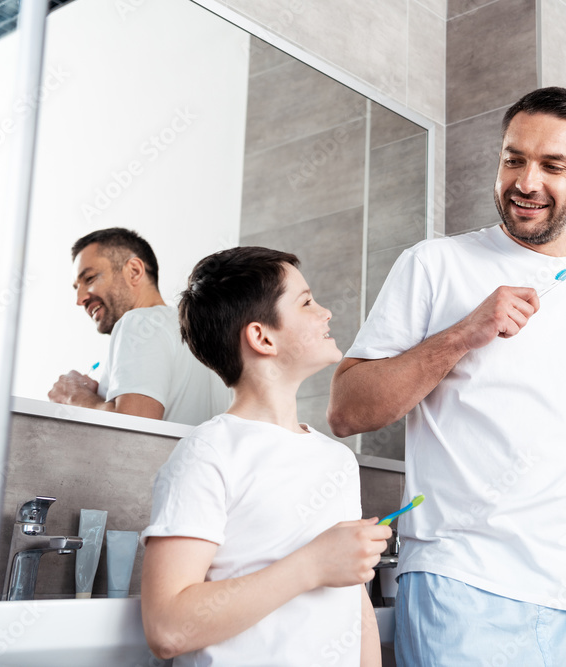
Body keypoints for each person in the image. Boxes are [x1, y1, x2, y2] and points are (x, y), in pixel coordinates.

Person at [328, 87, 566, 666]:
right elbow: (348, 409)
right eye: (513, 158)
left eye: (553, 166)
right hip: (460, 585)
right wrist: (462, 335)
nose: (526, 182)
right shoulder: (433, 265)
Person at [140, 246, 391, 665]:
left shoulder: (337, 461)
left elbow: (352, 602)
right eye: (307, 302)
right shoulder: (209, 453)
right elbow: (167, 627)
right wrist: (311, 565)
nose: (326, 312)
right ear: (262, 337)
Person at [47, 227, 230, 425]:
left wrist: (74, 395)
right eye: (77, 287)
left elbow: (133, 429)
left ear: (134, 271)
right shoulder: (203, 334)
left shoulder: (139, 322)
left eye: (89, 278)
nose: (80, 298)